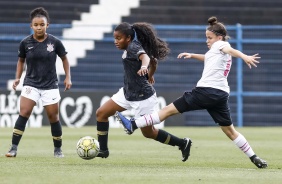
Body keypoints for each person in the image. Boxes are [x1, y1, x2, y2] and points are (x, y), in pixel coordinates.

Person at [117, 17, 268, 168]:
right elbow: (208, 58)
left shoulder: (222, 44)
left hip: (205, 92)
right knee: (230, 131)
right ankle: (254, 157)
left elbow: (230, 50)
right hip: (220, 95)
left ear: (219, 37)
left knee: (167, 111)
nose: (207, 41)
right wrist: (192, 55)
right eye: (206, 38)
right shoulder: (215, 51)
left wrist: (244, 56)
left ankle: (134, 124)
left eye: (209, 38)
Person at [96, 22, 192, 162]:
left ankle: (183, 143)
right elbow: (154, 61)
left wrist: (144, 66)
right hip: (127, 93)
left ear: (128, 38)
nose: (116, 41)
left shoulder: (134, 47)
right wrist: (150, 74)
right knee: (101, 113)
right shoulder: (131, 45)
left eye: (119, 38)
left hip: (142, 98)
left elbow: (146, 58)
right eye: (115, 38)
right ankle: (103, 150)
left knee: (149, 133)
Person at [5, 7, 72, 158]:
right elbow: (21, 61)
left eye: (42, 24)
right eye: (36, 25)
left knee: (53, 118)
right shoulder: (25, 43)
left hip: (50, 85)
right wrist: (18, 77)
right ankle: (13, 148)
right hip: (31, 84)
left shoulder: (55, 42)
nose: (39, 27)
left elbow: (65, 59)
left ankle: (58, 150)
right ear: (31, 26)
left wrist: (68, 77)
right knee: (24, 113)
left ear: (47, 25)